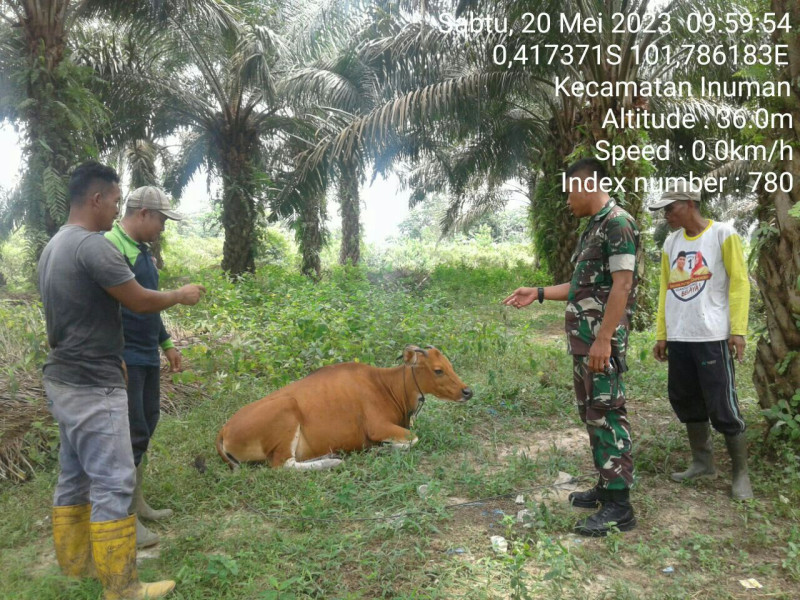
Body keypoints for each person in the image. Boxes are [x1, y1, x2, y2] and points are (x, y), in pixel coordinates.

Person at [38, 161, 206, 599]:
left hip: (64, 378)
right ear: (96, 199)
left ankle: (75, 568)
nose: (116, 208)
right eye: (114, 200)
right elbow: (136, 300)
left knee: (73, 475)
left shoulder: (54, 245)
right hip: (94, 383)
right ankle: (123, 588)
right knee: (114, 481)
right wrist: (179, 296)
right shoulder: (93, 247)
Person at [503, 158, 639, 537]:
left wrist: (603, 339)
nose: (566, 201)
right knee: (592, 413)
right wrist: (540, 293)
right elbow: (582, 287)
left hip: (599, 341)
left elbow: (622, 286)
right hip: (585, 339)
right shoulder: (594, 228)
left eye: (568, 192)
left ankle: (620, 507)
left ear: (585, 185)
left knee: (608, 412)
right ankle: (607, 484)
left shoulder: (618, 224)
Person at [650, 179, 753, 500]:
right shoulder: (670, 243)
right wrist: (662, 334)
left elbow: (739, 283)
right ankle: (702, 462)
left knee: (722, 402)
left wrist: (738, 330)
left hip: (712, 335)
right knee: (684, 397)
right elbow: (666, 288)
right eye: (664, 209)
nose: (666, 214)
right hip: (681, 335)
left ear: (690, 204)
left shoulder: (723, 234)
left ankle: (740, 474)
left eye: (671, 207)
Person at [105, 186, 183, 548]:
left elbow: (148, 304)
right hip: (125, 357)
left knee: (148, 420)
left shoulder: (142, 252)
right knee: (131, 432)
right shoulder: (110, 247)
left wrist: (166, 345)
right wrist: (113, 353)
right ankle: (125, 520)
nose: (163, 228)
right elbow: (107, 309)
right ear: (144, 214)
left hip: (146, 355)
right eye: (162, 220)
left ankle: (138, 502)